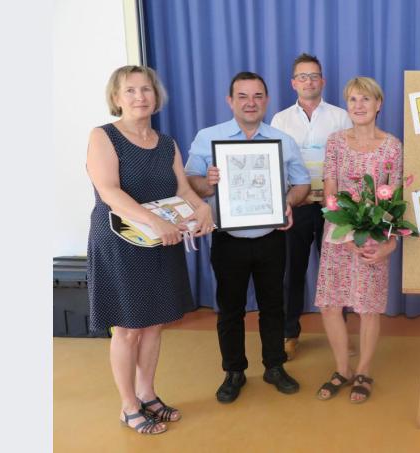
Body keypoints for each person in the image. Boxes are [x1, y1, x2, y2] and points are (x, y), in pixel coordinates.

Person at [86, 65, 215, 434]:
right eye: (130, 90)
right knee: (127, 328)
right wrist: (155, 221)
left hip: (161, 241)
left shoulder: (167, 142)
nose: (140, 97)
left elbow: (184, 192)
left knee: (155, 324)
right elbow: (109, 191)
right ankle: (128, 406)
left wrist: (202, 207)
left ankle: (147, 394)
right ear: (116, 98)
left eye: (146, 89)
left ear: (156, 97)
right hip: (121, 241)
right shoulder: (103, 136)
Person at [185, 72, 310, 404]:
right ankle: (234, 371)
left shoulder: (282, 140)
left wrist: (288, 202)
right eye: (242, 96)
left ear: (266, 100)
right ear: (230, 101)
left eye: (257, 96)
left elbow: (302, 184)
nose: (250, 103)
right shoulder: (207, 138)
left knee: (273, 306)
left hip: (271, 236)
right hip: (228, 238)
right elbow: (190, 181)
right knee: (230, 309)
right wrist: (206, 182)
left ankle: (274, 366)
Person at [314, 77, 402, 404]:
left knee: (368, 307)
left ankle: (363, 370)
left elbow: (395, 198)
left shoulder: (393, 145)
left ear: (379, 104)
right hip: (338, 233)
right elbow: (330, 190)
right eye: (352, 100)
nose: (359, 106)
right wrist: (347, 233)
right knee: (330, 305)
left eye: (366, 99)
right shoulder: (336, 142)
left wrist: (385, 241)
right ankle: (341, 369)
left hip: (374, 241)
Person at [270, 53, 353, 360]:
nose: (308, 81)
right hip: (297, 206)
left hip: (333, 207)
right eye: (302, 76)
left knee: (336, 273)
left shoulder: (341, 116)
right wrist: (288, 199)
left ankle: (340, 333)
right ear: (293, 83)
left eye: (314, 76)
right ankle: (290, 332)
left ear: (323, 81)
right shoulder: (280, 119)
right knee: (292, 271)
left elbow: (350, 160)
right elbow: (275, 163)